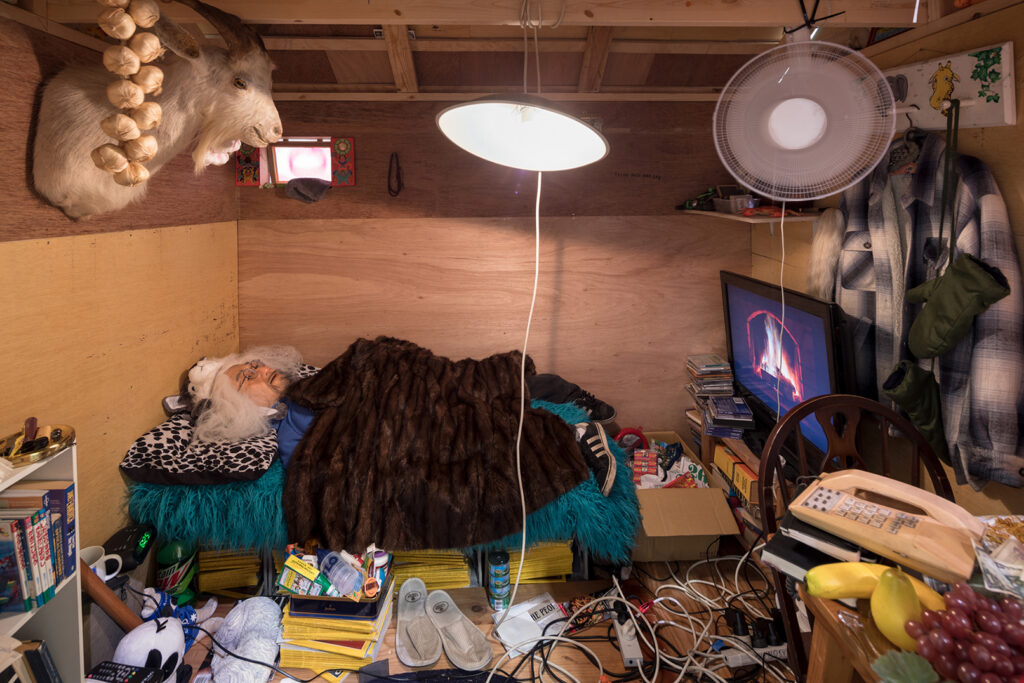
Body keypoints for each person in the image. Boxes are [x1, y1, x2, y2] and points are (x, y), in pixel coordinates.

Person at [182, 344, 618, 496]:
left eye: (255, 364)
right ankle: (577, 435)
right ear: (239, 406)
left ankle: (573, 417)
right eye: (246, 376)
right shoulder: (288, 432)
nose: (260, 370)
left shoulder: (304, 390)